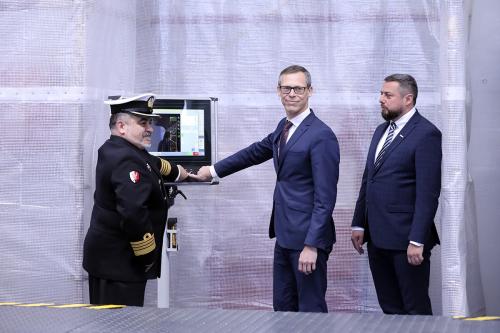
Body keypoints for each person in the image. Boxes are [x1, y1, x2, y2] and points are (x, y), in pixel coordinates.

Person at [191, 65, 340, 313]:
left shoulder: (321, 135)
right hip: (284, 236)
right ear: (278, 90)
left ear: (310, 91)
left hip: (306, 241)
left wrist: (312, 245)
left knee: (311, 312)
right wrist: (213, 170)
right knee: (283, 309)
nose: (291, 93)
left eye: (298, 88)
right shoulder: (284, 126)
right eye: (286, 88)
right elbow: (254, 152)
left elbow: (326, 198)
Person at [83, 93, 188, 306]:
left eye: (150, 122)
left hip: (111, 261)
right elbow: (133, 214)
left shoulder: (119, 148)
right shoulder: (126, 160)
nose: (150, 128)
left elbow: (152, 163)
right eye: (143, 122)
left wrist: (179, 172)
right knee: (117, 327)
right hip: (118, 265)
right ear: (122, 126)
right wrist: (148, 255)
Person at [351, 74, 441, 315]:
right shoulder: (381, 130)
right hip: (377, 238)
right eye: (381, 93)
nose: (381, 99)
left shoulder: (426, 134)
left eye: (388, 95)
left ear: (408, 99)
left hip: (406, 242)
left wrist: (417, 240)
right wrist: (359, 223)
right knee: (390, 308)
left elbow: (428, 193)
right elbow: (368, 179)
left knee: (415, 309)